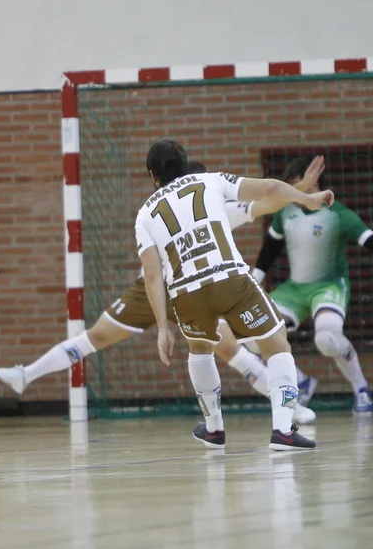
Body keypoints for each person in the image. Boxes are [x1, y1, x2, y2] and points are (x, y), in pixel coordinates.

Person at [0, 159, 327, 424]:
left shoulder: (214, 204)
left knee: (229, 349)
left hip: (194, 287)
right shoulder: (159, 209)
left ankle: (287, 407)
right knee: (98, 335)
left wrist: (301, 190)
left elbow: (264, 202)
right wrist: (303, 192)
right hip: (153, 289)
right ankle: (26, 375)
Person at [135, 140, 333, 451]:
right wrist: (307, 197)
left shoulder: (145, 214)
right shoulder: (210, 181)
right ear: (185, 165)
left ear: (152, 176)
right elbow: (269, 188)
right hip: (227, 277)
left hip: (185, 291)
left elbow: (151, 275)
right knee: (276, 341)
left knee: (200, 349)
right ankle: (283, 429)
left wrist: (162, 327)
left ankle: (214, 429)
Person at [252, 156, 373, 413]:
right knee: (254, 333)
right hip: (294, 290)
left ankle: (361, 388)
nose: (295, 191)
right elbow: (270, 250)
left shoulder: (339, 215)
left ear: (315, 182)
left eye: (299, 184)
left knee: (327, 338)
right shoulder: (285, 211)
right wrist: (251, 282)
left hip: (328, 287)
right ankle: (301, 382)